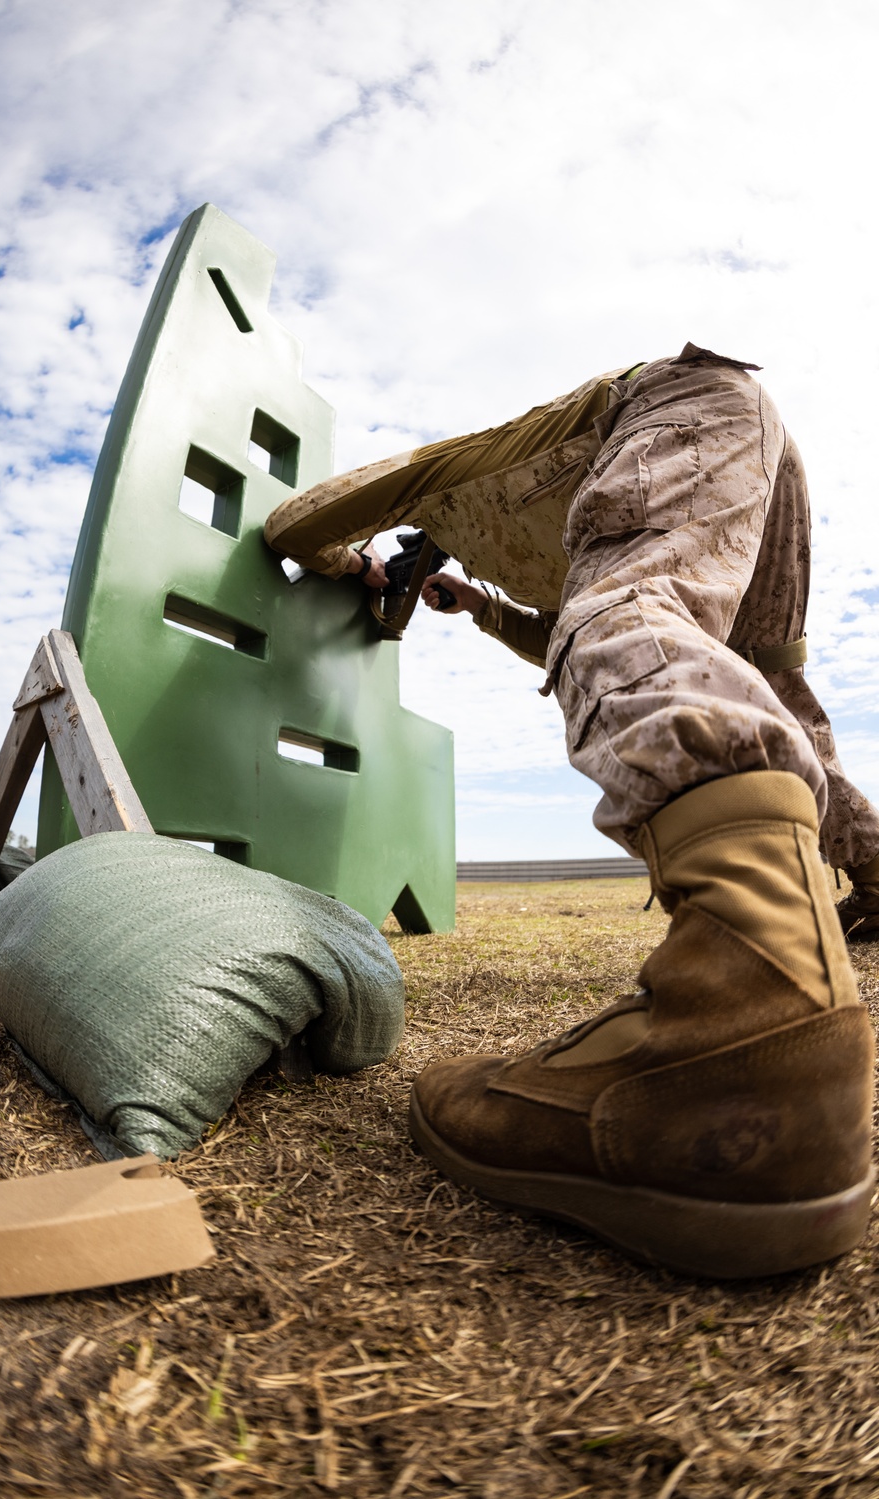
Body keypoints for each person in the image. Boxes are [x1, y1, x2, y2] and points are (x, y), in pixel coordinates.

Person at [264, 344, 878, 1277]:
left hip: (685, 397)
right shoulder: (522, 546)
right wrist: (478, 606)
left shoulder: (444, 478)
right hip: (746, 440)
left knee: (623, 608)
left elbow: (294, 521)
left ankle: (756, 1001)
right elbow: (576, 635)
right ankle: (873, 871)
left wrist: (351, 563)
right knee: (767, 693)